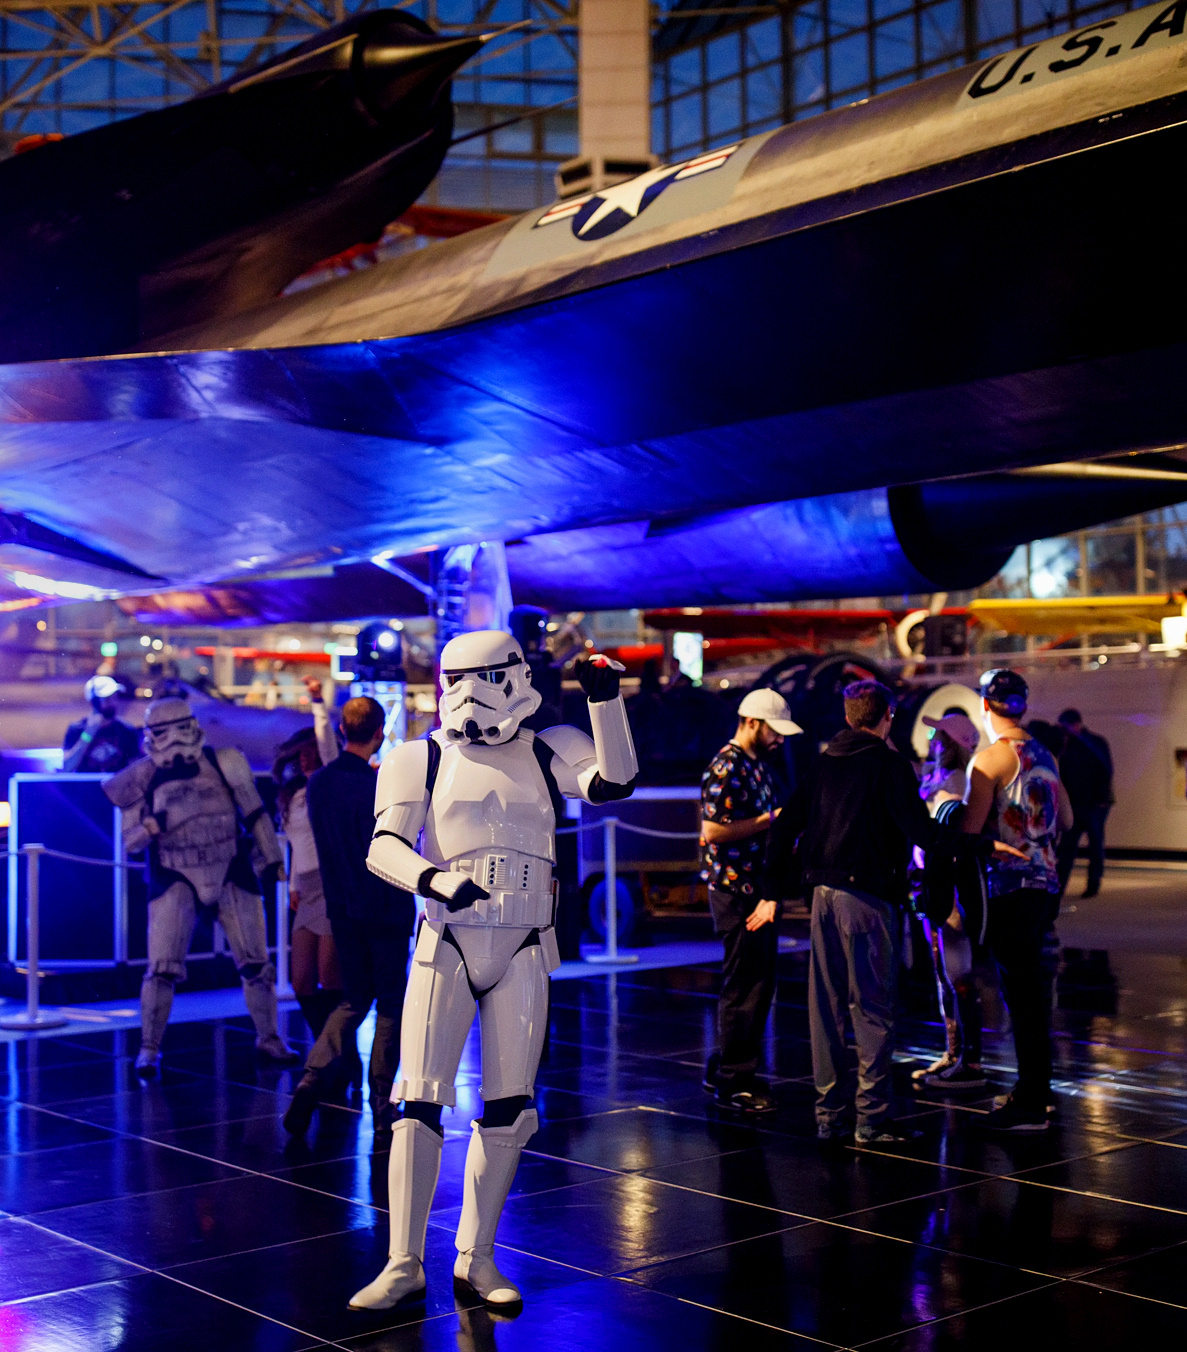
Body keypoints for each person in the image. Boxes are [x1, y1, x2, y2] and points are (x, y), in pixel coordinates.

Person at [348, 631, 638, 1312]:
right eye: (459, 677)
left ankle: (476, 1258)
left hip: (524, 942)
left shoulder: (548, 747)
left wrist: (605, 701)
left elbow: (612, 783)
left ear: (515, 674)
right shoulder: (417, 756)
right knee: (416, 1105)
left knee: (510, 1108)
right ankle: (403, 1262)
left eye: (486, 676)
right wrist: (432, 881)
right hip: (445, 939)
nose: (471, 692)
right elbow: (383, 846)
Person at [764, 680, 1012, 1144]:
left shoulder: (823, 763)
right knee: (873, 1007)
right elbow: (923, 833)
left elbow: (785, 826)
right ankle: (871, 1119)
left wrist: (777, 887)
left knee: (826, 1009)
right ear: (888, 716)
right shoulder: (889, 765)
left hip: (821, 896)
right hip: (868, 897)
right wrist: (983, 844)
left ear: (847, 716)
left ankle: (829, 1117)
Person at [103, 697, 298, 1076]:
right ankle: (149, 1047)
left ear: (193, 727)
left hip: (229, 865)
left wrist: (272, 856)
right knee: (161, 968)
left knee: (256, 963)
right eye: (163, 732)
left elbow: (254, 809)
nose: (174, 739)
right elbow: (129, 843)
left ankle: (269, 1036)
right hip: (174, 872)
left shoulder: (225, 761)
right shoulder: (140, 777)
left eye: (180, 728)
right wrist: (153, 826)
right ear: (150, 736)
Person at [283, 695, 414, 1140]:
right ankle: (382, 1105)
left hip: (342, 909)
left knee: (352, 1001)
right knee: (391, 1007)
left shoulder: (317, 785)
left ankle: (311, 1079)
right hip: (385, 904)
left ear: (342, 731)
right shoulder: (379, 786)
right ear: (379, 733)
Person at [962, 669, 1074, 1132]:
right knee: (1033, 994)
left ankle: (1030, 1102)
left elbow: (968, 834)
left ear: (985, 706)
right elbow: (1064, 818)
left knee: (1020, 996)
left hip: (1008, 888)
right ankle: (1036, 1090)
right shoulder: (1045, 755)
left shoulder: (988, 762)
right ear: (1022, 706)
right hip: (1044, 887)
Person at [700, 687, 801, 1115]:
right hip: (736, 892)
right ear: (752, 723)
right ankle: (734, 1080)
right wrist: (769, 821)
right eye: (774, 731)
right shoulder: (727, 766)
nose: (780, 740)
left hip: (752, 890)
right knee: (746, 986)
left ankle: (724, 1067)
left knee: (754, 983)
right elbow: (714, 831)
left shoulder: (755, 764)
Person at [910, 712, 987, 1091]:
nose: (931, 740)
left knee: (957, 974)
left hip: (947, 891)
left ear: (951, 743)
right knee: (946, 974)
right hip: (933, 888)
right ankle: (954, 1052)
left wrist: (953, 900)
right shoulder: (941, 778)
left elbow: (954, 846)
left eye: (938, 735)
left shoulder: (956, 782)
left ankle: (968, 1059)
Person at [271, 677, 342, 1040]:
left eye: (308, 749)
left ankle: (334, 1051)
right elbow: (297, 846)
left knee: (330, 976)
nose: (303, 756)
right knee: (302, 981)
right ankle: (325, 1043)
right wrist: (294, 885)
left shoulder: (330, 783)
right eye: (298, 752)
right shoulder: (293, 795)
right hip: (306, 889)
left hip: (332, 886)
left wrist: (317, 700)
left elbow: (328, 740)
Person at [1055, 707, 1114, 899]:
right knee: (1078, 845)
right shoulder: (1076, 744)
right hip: (1081, 803)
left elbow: (1105, 771)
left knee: (1088, 845)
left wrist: (1101, 799)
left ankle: (1089, 883)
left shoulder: (1089, 743)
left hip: (1092, 804)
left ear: (1075, 724)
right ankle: (1070, 884)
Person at [62, 675, 141, 773]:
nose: (113, 703)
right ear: (94, 701)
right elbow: (67, 767)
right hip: (86, 788)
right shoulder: (77, 729)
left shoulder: (127, 730)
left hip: (115, 787)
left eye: (115, 697)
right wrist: (88, 734)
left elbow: (135, 770)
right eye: (107, 699)